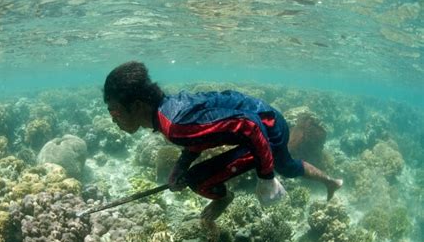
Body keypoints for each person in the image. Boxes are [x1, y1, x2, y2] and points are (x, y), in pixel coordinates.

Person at [103, 61, 343, 222]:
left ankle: (224, 199)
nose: (114, 121)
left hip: (264, 127)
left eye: (115, 113)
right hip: (269, 119)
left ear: (136, 106)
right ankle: (331, 182)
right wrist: (179, 168)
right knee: (288, 166)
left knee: (197, 180)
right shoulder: (168, 111)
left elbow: (249, 125)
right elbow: (197, 137)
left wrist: (266, 178)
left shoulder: (175, 125)